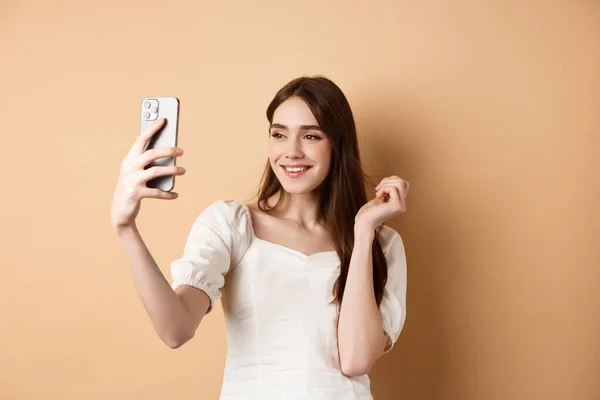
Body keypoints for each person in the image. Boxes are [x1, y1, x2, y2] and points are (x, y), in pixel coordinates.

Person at [111, 76, 409, 399]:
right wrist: (126, 228)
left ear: (338, 144)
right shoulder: (232, 225)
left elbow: (355, 359)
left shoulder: (382, 244)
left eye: (310, 136)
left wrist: (363, 233)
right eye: (279, 134)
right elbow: (175, 329)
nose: (291, 152)